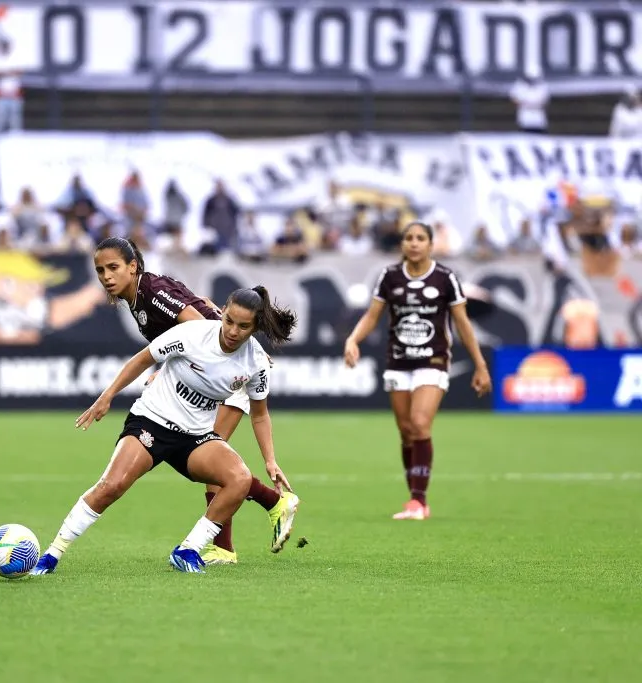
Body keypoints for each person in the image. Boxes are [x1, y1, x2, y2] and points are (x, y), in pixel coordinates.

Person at [31, 287, 297, 575]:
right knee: (112, 486)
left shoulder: (256, 362)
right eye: (229, 320)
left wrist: (270, 461)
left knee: (239, 479)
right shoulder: (192, 335)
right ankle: (51, 555)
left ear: (255, 327)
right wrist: (106, 396)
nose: (233, 330)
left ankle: (187, 550)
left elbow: (259, 415)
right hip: (152, 421)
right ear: (222, 313)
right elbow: (142, 359)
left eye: (244, 326)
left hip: (194, 439)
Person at [86, 237, 300, 565]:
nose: (106, 276)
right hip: (215, 370)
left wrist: (174, 365)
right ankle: (256, 518)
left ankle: (248, 527)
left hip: (227, 372)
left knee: (211, 458)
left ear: (132, 266)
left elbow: (199, 328)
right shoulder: (142, 294)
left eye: (112, 268)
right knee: (212, 463)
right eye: (101, 270)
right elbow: (201, 302)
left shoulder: (151, 293)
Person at [343, 222, 492, 521]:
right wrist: (353, 339)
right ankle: (414, 498)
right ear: (402, 244)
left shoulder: (445, 278)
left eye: (420, 238)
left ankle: (418, 501)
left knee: (420, 423)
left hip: (433, 360)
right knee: (407, 432)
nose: (414, 243)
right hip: (398, 362)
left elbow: (462, 324)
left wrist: (480, 365)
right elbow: (373, 315)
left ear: (430, 244)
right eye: (408, 238)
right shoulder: (389, 276)